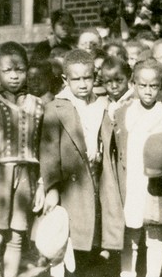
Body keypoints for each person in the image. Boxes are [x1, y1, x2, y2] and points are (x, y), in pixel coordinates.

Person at [100, 58, 162, 277]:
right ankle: (127, 273)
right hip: (130, 183)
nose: (148, 91)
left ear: (161, 86)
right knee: (130, 234)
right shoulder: (121, 113)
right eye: (142, 85)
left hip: (155, 184)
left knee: (154, 235)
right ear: (133, 84)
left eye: (154, 86)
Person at [0, 42, 45, 277]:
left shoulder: (37, 105)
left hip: (26, 177)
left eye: (19, 70)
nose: (14, 76)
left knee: (16, 235)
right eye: (7, 71)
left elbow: (44, 146)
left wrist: (42, 183)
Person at [40, 49, 111, 277]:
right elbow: (50, 152)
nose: (83, 84)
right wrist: (51, 189)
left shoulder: (102, 104)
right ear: (65, 80)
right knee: (68, 243)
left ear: (95, 77)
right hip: (70, 187)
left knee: (93, 243)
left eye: (87, 78)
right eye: (76, 79)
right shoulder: (57, 107)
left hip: (96, 180)